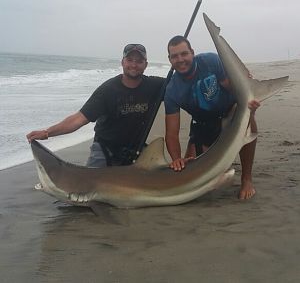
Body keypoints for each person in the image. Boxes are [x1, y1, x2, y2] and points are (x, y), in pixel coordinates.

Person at [27, 44, 165, 167]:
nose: (134, 65)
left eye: (139, 61)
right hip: (105, 149)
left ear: (146, 65)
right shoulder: (108, 90)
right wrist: (47, 133)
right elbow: (78, 119)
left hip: (136, 148)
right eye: (129, 60)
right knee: (87, 188)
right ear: (122, 62)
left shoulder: (154, 86)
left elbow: (181, 83)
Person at [164, 35, 260, 200]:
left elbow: (233, 87)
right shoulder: (172, 90)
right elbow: (171, 133)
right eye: (175, 56)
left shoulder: (210, 61)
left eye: (184, 54)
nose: (180, 60)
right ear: (169, 59)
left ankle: (246, 179)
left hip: (230, 112)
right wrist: (176, 159)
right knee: (193, 172)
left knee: (246, 118)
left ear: (192, 52)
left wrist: (248, 95)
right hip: (203, 124)